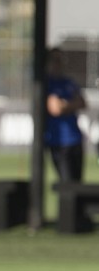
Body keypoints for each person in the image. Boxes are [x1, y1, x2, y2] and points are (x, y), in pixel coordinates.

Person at [45, 47, 86, 183]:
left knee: (78, 184)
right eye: (56, 60)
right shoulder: (47, 84)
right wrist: (70, 104)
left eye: (62, 60)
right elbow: (55, 109)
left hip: (76, 139)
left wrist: (65, 104)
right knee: (67, 184)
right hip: (58, 142)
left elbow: (82, 102)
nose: (60, 63)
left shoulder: (69, 82)